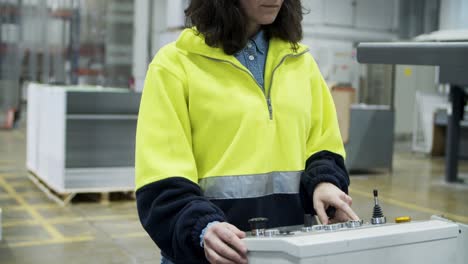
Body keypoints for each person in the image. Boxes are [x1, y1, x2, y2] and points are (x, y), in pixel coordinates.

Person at [135, 0, 360, 263]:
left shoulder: (301, 63)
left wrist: (324, 183)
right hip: (209, 256)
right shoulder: (174, 65)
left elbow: (323, 145)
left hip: (288, 251)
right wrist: (202, 227)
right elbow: (162, 177)